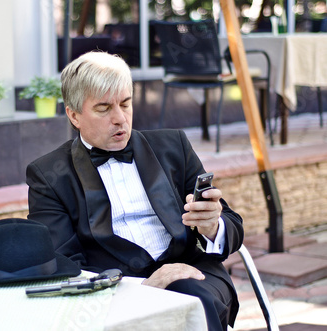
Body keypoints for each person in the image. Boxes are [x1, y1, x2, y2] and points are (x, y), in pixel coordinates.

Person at [26, 51, 244, 330]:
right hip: (114, 290)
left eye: (126, 104)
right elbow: (62, 266)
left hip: (193, 272)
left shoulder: (173, 147)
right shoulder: (49, 175)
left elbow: (233, 229)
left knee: (192, 301)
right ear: (74, 115)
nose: (120, 118)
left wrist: (213, 226)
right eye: (104, 108)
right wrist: (140, 287)